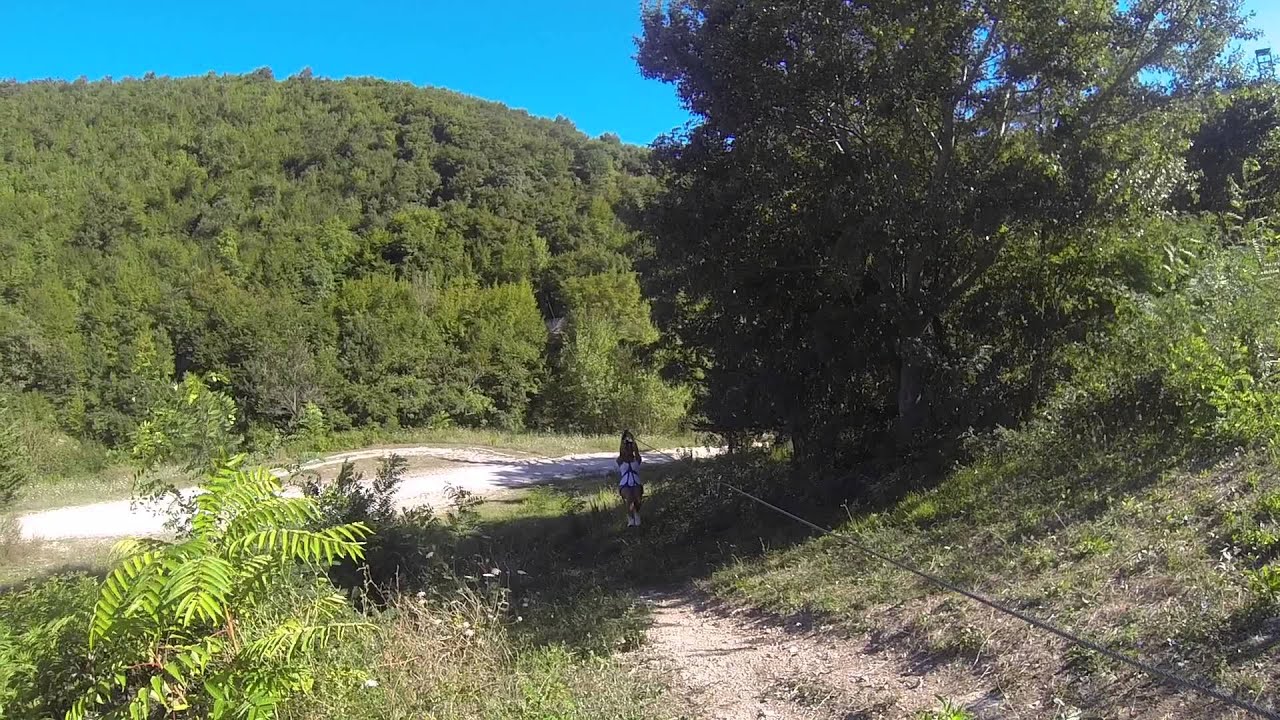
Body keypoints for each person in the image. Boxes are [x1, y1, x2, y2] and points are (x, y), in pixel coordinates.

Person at [617, 430, 643, 527]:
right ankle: (630, 518)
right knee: (629, 497)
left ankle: (636, 514)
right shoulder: (620, 460)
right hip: (624, 484)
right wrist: (623, 438)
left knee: (638, 498)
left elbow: (636, 451)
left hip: (636, 483)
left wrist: (633, 439)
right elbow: (621, 449)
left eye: (629, 448)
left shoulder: (637, 459)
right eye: (626, 449)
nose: (627, 450)